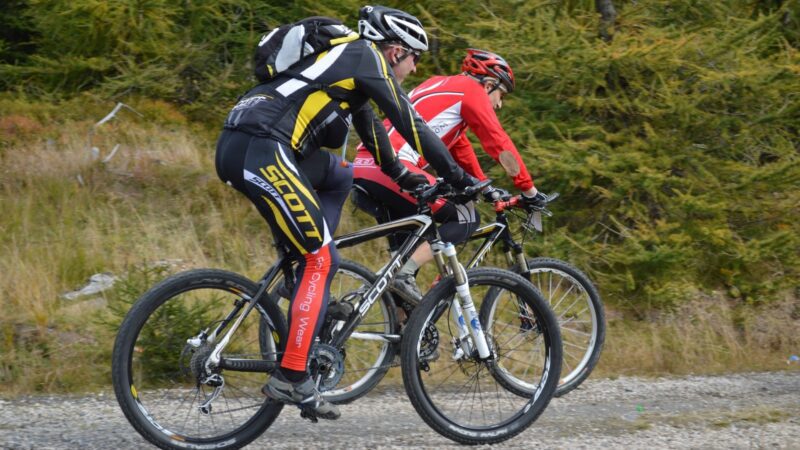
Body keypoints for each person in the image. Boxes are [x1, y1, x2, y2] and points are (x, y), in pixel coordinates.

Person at [214, 5, 475, 420]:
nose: (414, 68)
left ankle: (303, 274)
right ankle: (292, 375)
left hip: (245, 142)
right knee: (320, 258)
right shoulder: (364, 55)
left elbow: (370, 127)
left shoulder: (345, 69)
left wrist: (401, 176)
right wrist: (459, 177)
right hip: (262, 148)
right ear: (395, 53)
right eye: (414, 58)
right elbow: (409, 122)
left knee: (339, 175)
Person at [352, 48, 549, 301]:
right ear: (489, 84)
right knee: (466, 216)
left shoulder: (438, 85)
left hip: (365, 165)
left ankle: (397, 329)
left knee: (400, 289)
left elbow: (460, 149)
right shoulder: (471, 91)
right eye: (501, 94)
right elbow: (499, 144)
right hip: (392, 168)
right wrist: (529, 190)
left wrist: (484, 187)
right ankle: (405, 274)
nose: (499, 104)